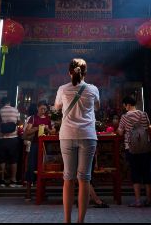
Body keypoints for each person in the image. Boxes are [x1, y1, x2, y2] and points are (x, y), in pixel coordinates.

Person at [54, 58, 100, 223]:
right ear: (85, 73)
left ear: (69, 72)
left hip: (67, 135)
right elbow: (97, 107)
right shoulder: (93, 89)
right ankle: (81, 221)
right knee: (84, 179)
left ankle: (67, 220)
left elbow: (57, 107)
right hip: (88, 135)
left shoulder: (63, 89)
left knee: (68, 178)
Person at [117, 95, 151, 207]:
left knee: (135, 172)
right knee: (146, 172)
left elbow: (120, 132)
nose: (125, 108)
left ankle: (138, 201)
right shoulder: (144, 114)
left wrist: (120, 130)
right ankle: (148, 200)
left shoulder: (124, 117)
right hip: (145, 146)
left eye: (124, 105)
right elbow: (148, 127)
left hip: (131, 147)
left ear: (128, 105)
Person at [23, 100, 53, 200]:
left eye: (45, 109)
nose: (43, 111)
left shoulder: (48, 119)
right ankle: (28, 193)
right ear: (37, 108)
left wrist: (47, 129)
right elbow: (27, 132)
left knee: (43, 168)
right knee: (31, 167)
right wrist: (37, 128)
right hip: (35, 145)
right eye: (41, 109)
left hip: (45, 146)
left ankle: (41, 193)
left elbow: (52, 132)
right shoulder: (33, 118)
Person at [0, 97, 22, 187]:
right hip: (13, 139)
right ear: (9, 102)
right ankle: (13, 180)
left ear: (2, 103)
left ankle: (2, 180)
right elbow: (19, 122)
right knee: (14, 160)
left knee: (2, 160)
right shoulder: (15, 110)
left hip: (2, 139)